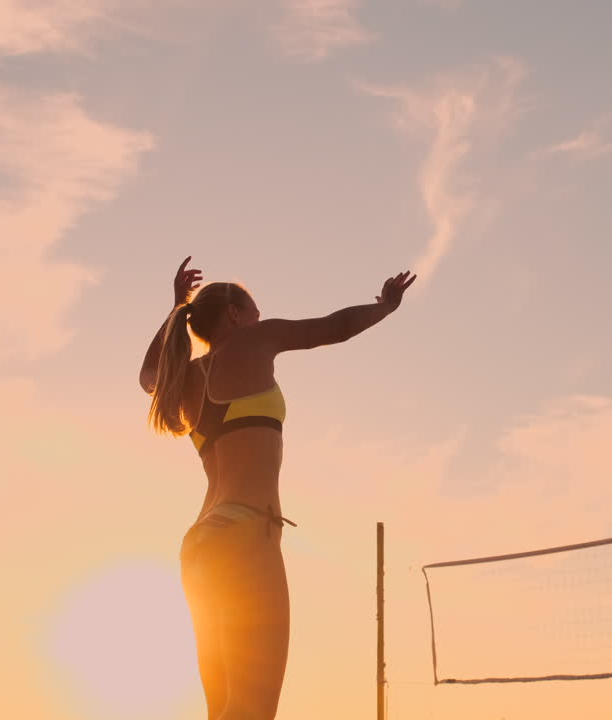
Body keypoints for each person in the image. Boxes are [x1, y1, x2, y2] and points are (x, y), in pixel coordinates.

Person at [139, 257, 416, 720]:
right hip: (247, 534)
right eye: (254, 310)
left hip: (200, 542)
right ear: (234, 315)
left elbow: (149, 377)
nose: (260, 319)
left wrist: (174, 308)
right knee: (254, 711)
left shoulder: (181, 377)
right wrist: (385, 307)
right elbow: (335, 326)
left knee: (223, 710)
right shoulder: (255, 341)